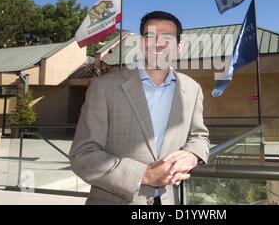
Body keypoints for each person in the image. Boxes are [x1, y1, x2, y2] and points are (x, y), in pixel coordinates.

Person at [69, 11, 210, 205]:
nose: (158, 44)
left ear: (179, 47)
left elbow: (199, 136)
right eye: (151, 36)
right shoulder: (103, 87)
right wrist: (143, 175)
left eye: (167, 38)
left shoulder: (192, 89)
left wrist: (193, 155)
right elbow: (82, 155)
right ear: (141, 43)